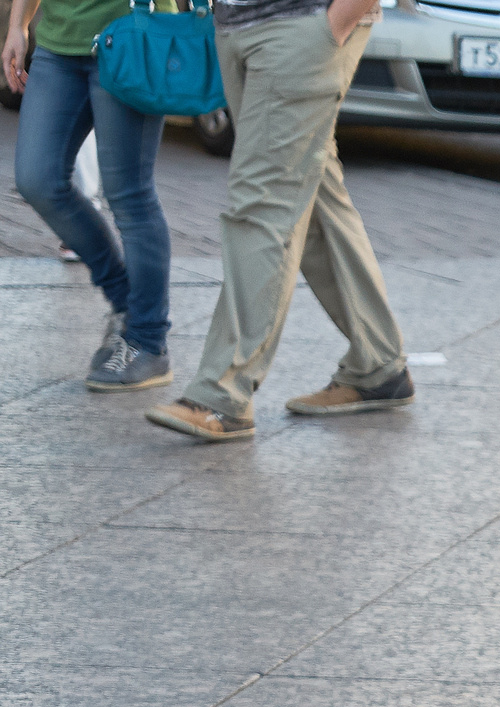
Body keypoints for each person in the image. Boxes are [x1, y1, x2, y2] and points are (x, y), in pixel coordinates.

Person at [142, 0, 406, 442]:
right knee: (315, 195)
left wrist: (332, 26)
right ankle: (378, 362)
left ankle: (221, 393)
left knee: (262, 201)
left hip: (301, 28)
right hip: (240, 25)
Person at [4, 0, 175, 391]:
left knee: (129, 195)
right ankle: (125, 301)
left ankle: (148, 342)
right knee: (37, 179)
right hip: (58, 45)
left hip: (132, 36)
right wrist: (19, 25)